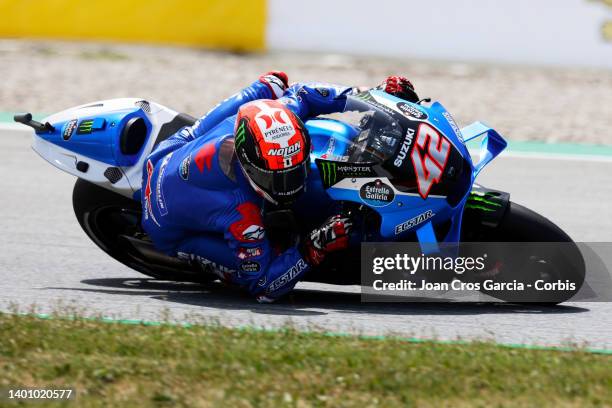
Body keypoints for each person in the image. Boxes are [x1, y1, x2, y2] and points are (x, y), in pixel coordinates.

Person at [141, 72, 418, 302]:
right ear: (251, 167)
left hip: (168, 153)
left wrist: (372, 98)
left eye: (293, 171)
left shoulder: (279, 113)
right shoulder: (241, 215)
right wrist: (314, 246)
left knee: (271, 84)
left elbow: (304, 93)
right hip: (167, 225)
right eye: (279, 179)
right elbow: (263, 286)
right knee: (251, 270)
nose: (290, 186)